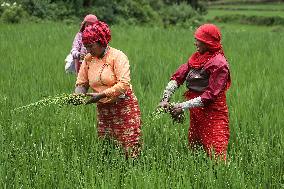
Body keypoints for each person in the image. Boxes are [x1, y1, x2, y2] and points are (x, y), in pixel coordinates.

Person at [159, 24, 231, 160]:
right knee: (196, 147)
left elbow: (210, 96)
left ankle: (221, 176)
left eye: (199, 40)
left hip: (213, 111)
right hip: (196, 110)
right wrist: (165, 98)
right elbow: (178, 76)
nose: (195, 43)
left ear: (207, 42)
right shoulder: (197, 57)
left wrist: (182, 106)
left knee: (216, 150)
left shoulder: (219, 64)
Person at [74, 21, 142, 158]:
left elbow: (124, 84)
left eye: (91, 46)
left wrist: (102, 94)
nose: (88, 50)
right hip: (104, 108)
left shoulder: (117, 57)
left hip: (123, 107)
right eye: (86, 46)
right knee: (107, 145)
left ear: (101, 42)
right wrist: (77, 95)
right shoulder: (88, 59)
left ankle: (133, 173)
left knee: (129, 145)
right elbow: (82, 83)